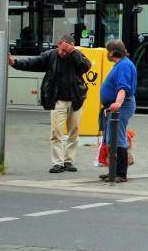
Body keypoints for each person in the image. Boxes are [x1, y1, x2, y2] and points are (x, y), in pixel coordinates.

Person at [8, 35, 91, 174]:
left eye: (67, 50)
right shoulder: (50, 56)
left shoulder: (76, 55)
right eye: (62, 50)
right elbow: (32, 63)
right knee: (56, 132)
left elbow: (86, 66)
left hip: (75, 99)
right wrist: (14, 63)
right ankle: (58, 163)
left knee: (74, 131)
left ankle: (69, 161)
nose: (64, 53)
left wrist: (74, 52)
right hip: (57, 99)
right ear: (59, 44)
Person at [98, 39, 137, 183]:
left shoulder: (125, 65)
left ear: (113, 51)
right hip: (115, 106)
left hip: (122, 105)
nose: (107, 54)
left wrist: (117, 103)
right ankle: (113, 171)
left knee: (118, 137)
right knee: (110, 137)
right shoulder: (120, 64)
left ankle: (121, 173)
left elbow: (123, 87)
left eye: (108, 50)